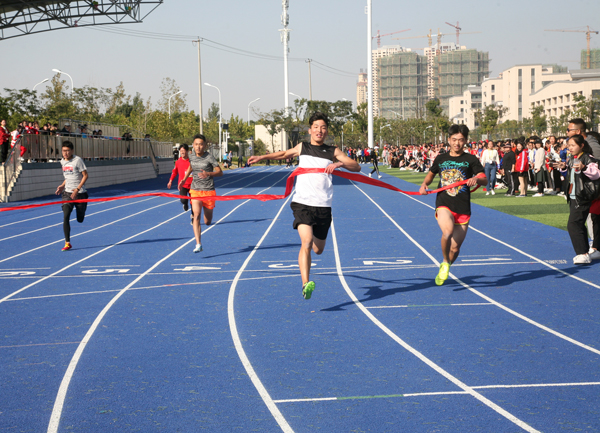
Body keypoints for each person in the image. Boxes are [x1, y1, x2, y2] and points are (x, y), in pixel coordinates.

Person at [248, 112, 360, 300]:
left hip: (323, 206)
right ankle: (305, 283)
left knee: (318, 249)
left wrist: (339, 163)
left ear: (326, 131)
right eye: (316, 127)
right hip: (302, 203)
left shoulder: (332, 151)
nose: (319, 130)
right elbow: (284, 154)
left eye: (323, 127)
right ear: (310, 130)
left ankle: (310, 264)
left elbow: (356, 167)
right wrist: (261, 157)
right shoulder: (303, 147)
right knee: (306, 242)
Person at [419, 124, 487, 286]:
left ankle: (448, 263)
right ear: (449, 140)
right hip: (444, 203)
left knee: (455, 249)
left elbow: (484, 179)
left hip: (463, 207)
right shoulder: (441, 159)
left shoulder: (471, 159)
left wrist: (476, 179)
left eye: (461, 140)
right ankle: (444, 262)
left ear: (465, 141)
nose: (457, 143)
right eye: (454, 139)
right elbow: (430, 175)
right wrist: (424, 185)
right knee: (447, 232)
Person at [554, 134, 600, 264]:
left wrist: (584, 168)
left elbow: (596, 174)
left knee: (573, 224)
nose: (570, 148)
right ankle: (585, 252)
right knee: (578, 223)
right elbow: (571, 175)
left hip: (583, 196)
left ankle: (582, 253)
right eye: (569, 145)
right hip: (573, 195)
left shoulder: (588, 158)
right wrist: (563, 167)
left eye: (573, 145)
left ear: (582, 145)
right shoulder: (572, 159)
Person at [178, 134, 223, 253]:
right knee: (196, 215)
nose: (198, 147)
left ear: (205, 145)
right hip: (195, 190)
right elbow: (191, 167)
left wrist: (208, 174)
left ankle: (206, 220)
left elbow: (220, 172)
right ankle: (198, 244)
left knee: (207, 222)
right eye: (196, 144)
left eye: (201, 144)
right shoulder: (191, 156)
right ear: (193, 145)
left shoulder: (209, 157)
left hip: (208, 191)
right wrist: (184, 179)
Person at [55, 141, 89, 251]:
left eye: (67, 151)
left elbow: (85, 175)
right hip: (67, 193)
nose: (65, 153)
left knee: (80, 219)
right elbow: (68, 177)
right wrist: (62, 185)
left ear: (72, 151)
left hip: (79, 193)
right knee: (66, 216)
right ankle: (67, 242)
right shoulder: (62, 162)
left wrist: (77, 189)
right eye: (63, 151)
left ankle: (82, 211)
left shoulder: (77, 160)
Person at [167, 143, 193, 224]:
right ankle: (185, 204)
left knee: (193, 203)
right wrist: (170, 180)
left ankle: (193, 217)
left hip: (193, 185)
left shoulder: (192, 161)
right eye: (181, 151)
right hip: (182, 185)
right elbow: (174, 172)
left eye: (183, 150)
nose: (182, 152)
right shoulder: (178, 162)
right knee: (183, 200)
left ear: (187, 151)